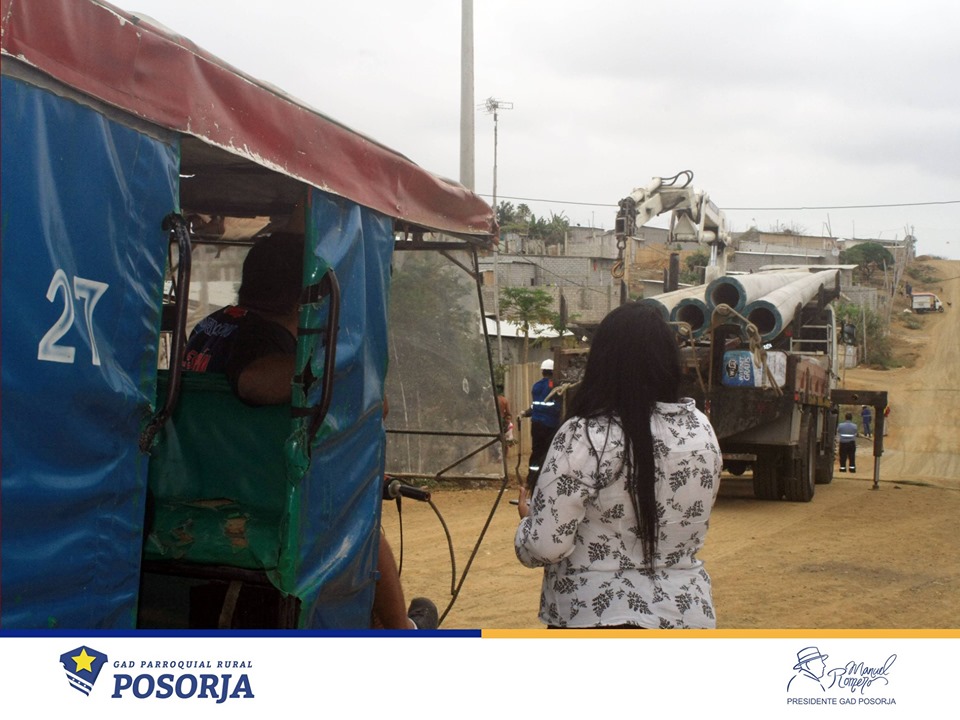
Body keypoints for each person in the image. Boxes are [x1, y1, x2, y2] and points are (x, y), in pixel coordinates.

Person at [184, 233, 437, 630]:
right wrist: (341, 369)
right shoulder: (265, 339)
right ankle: (401, 629)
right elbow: (252, 381)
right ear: (308, 293)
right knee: (364, 527)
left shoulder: (213, 325)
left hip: (196, 479)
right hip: (263, 492)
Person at [514, 302, 722, 629]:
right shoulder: (700, 428)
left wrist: (529, 523)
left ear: (602, 362)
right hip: (685, 617)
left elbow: (544, 547)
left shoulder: (585, 435)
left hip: (594, 620)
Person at [523, 358, 562, 491]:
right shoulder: (555, 386)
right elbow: (558, 407)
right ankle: (546, 479)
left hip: (536, 424)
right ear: (554, 371)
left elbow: (536, 405)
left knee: (536, 451)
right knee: (549, 452)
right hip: (550, 425)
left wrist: (526, 413)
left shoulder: (536, 386)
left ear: (542, 371)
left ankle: (531, 479)